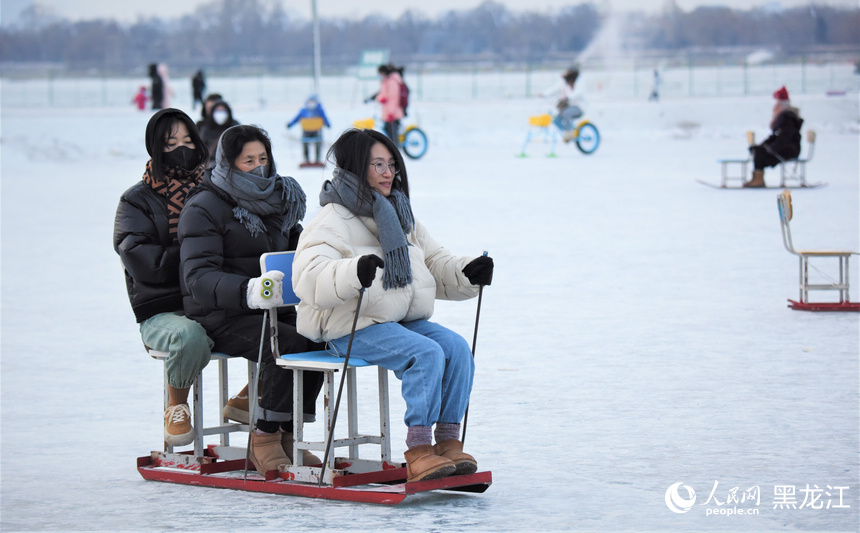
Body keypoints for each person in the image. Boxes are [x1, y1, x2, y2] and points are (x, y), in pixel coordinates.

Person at [291, 128, 495, 483]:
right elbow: (308, 277)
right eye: (378, 165)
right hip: (348, 325)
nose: (389, 173)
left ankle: (447, 443)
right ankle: (418, 450)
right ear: (356, 168)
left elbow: (433, 261)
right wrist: (352, 271)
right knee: (427, 354)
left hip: (395, 320)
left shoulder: (400, 215)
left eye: (392, 165)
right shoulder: (331, 220)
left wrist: (467, 272)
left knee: (457, 349)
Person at [178, 124, 324, 475]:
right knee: (284, 344)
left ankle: (289, 434)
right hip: (219, 314)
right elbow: (197, 277)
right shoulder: (204, 206)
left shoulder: (280, 198)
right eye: (248, 161)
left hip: (275, 309)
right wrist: (249, 291)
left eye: (263, 158)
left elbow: (298, 249)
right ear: (228, 163)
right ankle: (264, 438)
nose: (258, 167)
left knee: (318, 337)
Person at [113, 108, 214, 447]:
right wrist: (200, 256)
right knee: (188, 336)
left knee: (277, 328)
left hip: (210, 300)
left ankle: (257, 409)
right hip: (162, 309)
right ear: (155, 148)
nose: (182, 149)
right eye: (171, 143)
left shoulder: (214, 191)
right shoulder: (135, 201)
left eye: (188, 140)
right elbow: (144, 262)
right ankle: (177, 404)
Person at [745, 86, 804, 188]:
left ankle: (758, 179)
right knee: (759, 150)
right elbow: (776, 136)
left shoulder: (788, 118)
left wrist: (772, 148)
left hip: (789, 149)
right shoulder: (785, 118)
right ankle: (757, 178)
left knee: (760, 152)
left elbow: (785, 137)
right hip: (785, 147)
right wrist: (764, 145)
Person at [541, 66, 586, 142]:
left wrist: (568, 97)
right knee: (556, 120)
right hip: (569, 105)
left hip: (579, 107)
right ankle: (567, 132)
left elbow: (578, 93)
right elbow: (555, 89)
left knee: (566, 113)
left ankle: (569, 134)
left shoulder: (580, 83)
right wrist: (544, 94)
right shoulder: (565, 83)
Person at [286, 95, 331, 166]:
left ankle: (317, 159)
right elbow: (296, 118)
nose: (312, 103)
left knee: (318, 143)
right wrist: (290, 124)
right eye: (310, 101)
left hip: (317, 131)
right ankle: (306, 160)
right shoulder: (303, 111)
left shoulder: (319, 110)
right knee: (305, 143)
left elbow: (324, 118)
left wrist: (328, 124)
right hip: (306, 131)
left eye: (313, 101)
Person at [197, 99, 240, 168]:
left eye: (223, 111)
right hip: (212, 164)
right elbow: (200, 148)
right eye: (218, 111)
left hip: (232, 164)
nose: (220, 114)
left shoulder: (235, 127)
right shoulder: (206, 128)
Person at [374, 64, 405, 143]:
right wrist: (380, 98)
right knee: (388, 132)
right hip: (387, 112)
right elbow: (384, 94)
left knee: (393, 136)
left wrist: (391, 113)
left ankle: (395, 152)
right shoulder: (386, 81)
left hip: (393, 113)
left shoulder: (392, 82)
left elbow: (393, 99)